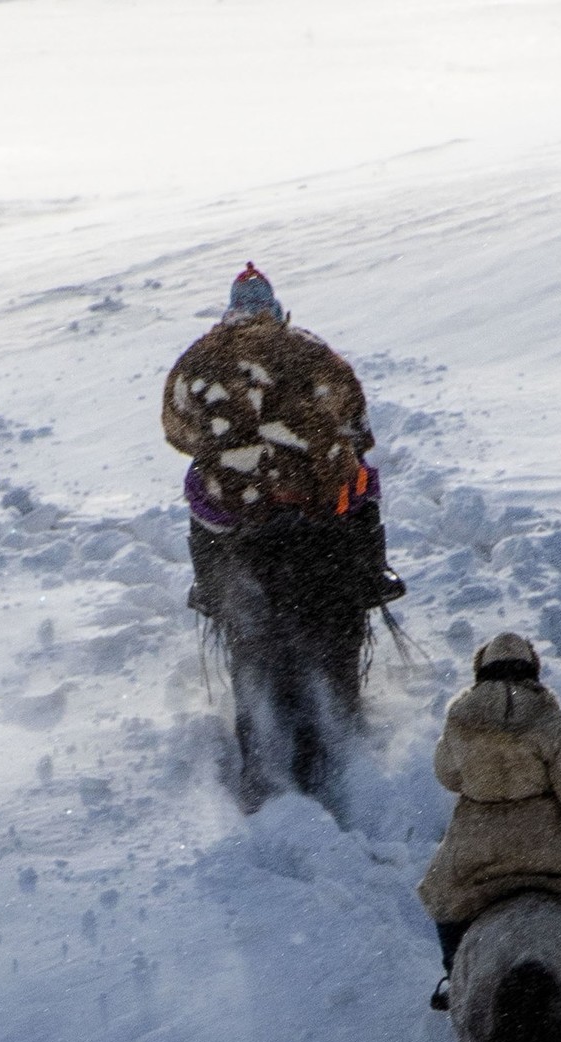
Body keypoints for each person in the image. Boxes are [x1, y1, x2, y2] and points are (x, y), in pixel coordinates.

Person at [162, 263, 403, 805]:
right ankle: (370, 576)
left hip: (241, 517)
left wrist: (230, 450)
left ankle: (212, 587)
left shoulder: (197, 360)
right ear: (277, 311)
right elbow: (358, 426)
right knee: (362, 486)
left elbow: (177, 433)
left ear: (229, 311)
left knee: (199, 495)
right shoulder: (311, 352)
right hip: (317, 511)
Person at [418, 633, 561, 1009]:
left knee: (444, 898)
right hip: (552, 852)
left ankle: (456, 977)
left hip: (478, 852)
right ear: (532, 669)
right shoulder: (550, 719)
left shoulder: (460, 717)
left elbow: (447, 775)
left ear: (481, 671)